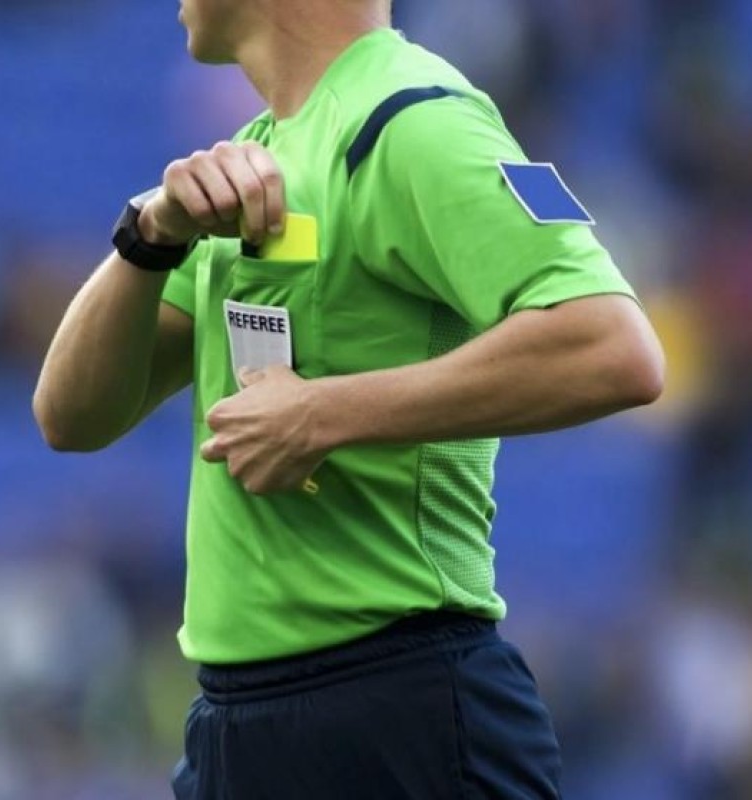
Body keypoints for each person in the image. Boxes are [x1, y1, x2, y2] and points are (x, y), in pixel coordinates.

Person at [34, 0, 664, 796]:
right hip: (240, 725)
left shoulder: (414, 120)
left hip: (397, 714)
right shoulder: (257, 156)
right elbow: (71, 415)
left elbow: (612, 346)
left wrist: (323, 413)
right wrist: (150, 236)